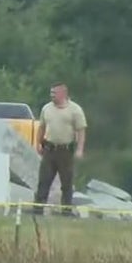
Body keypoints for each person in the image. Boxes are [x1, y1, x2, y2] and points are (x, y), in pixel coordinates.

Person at [33, 82, 88, 216]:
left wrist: (80, 149)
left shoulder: (75, 110)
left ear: (63, 93)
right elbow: (42, 127)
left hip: (66, 151)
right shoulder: (46, 108)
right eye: (51, 93)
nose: (52, 95)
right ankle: (38, 209)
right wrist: (38, 143)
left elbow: (81, 130)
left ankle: (66, 211)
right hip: (49, 149)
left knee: (67, 183)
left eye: (54, 93)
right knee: (43, 181)